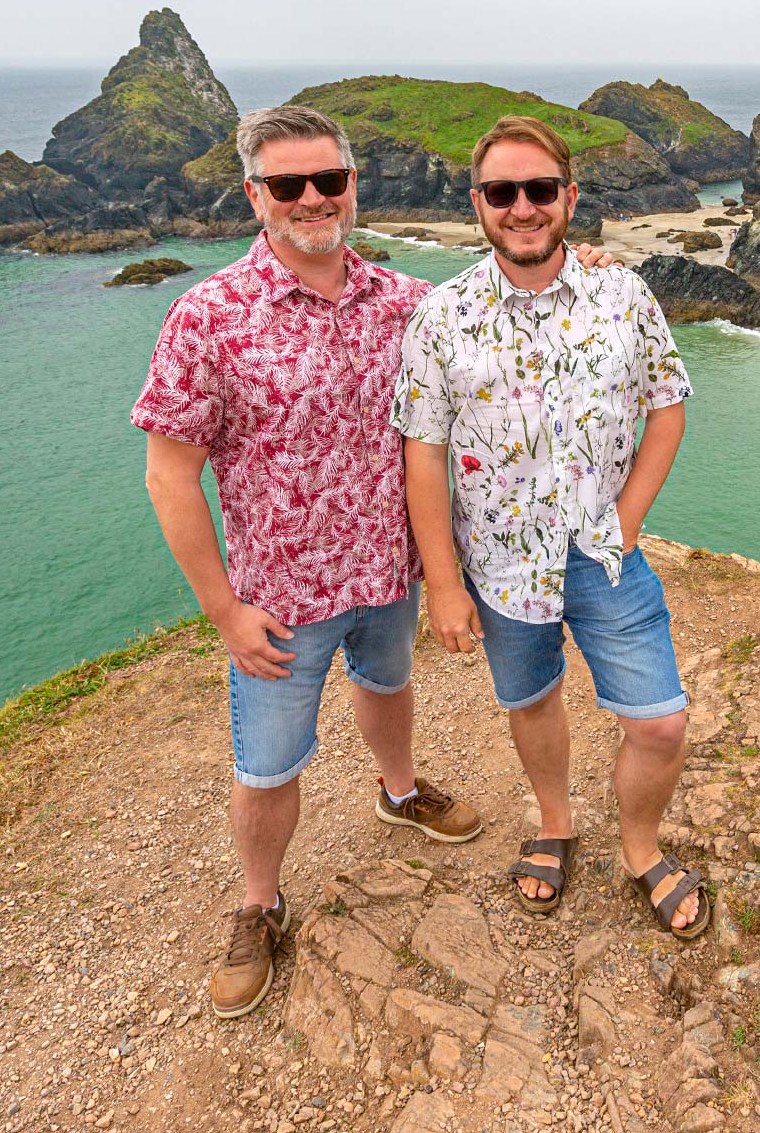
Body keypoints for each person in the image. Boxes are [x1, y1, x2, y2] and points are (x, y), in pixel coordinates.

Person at [133, 105, 489, 1019]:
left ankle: (398, 791)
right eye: (287, 184)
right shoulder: (207, 316)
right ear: (255, 196)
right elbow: (170, 475)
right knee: (267, 766)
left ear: (353, 185)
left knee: (388, 684)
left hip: (387, 575)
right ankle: (259, 903)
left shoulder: (409, 303)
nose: (312, 199)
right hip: (278, 600)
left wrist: (594, 265)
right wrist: (223, 611)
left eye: (328, 180)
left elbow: (507, 303)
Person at [395, 116, 709, 939]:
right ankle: (557, 820)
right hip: (498, 569)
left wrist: (629, 521)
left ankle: (639, 847)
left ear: (570, 197)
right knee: (531, 700)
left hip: (604, 558)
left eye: (541, 189)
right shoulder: (441, 315)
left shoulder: (625, 295)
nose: (523, 207)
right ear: (479, 205)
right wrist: (443, 584)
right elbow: (421, 453)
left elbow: (668, 407)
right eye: (504, 192)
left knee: (661, 720)